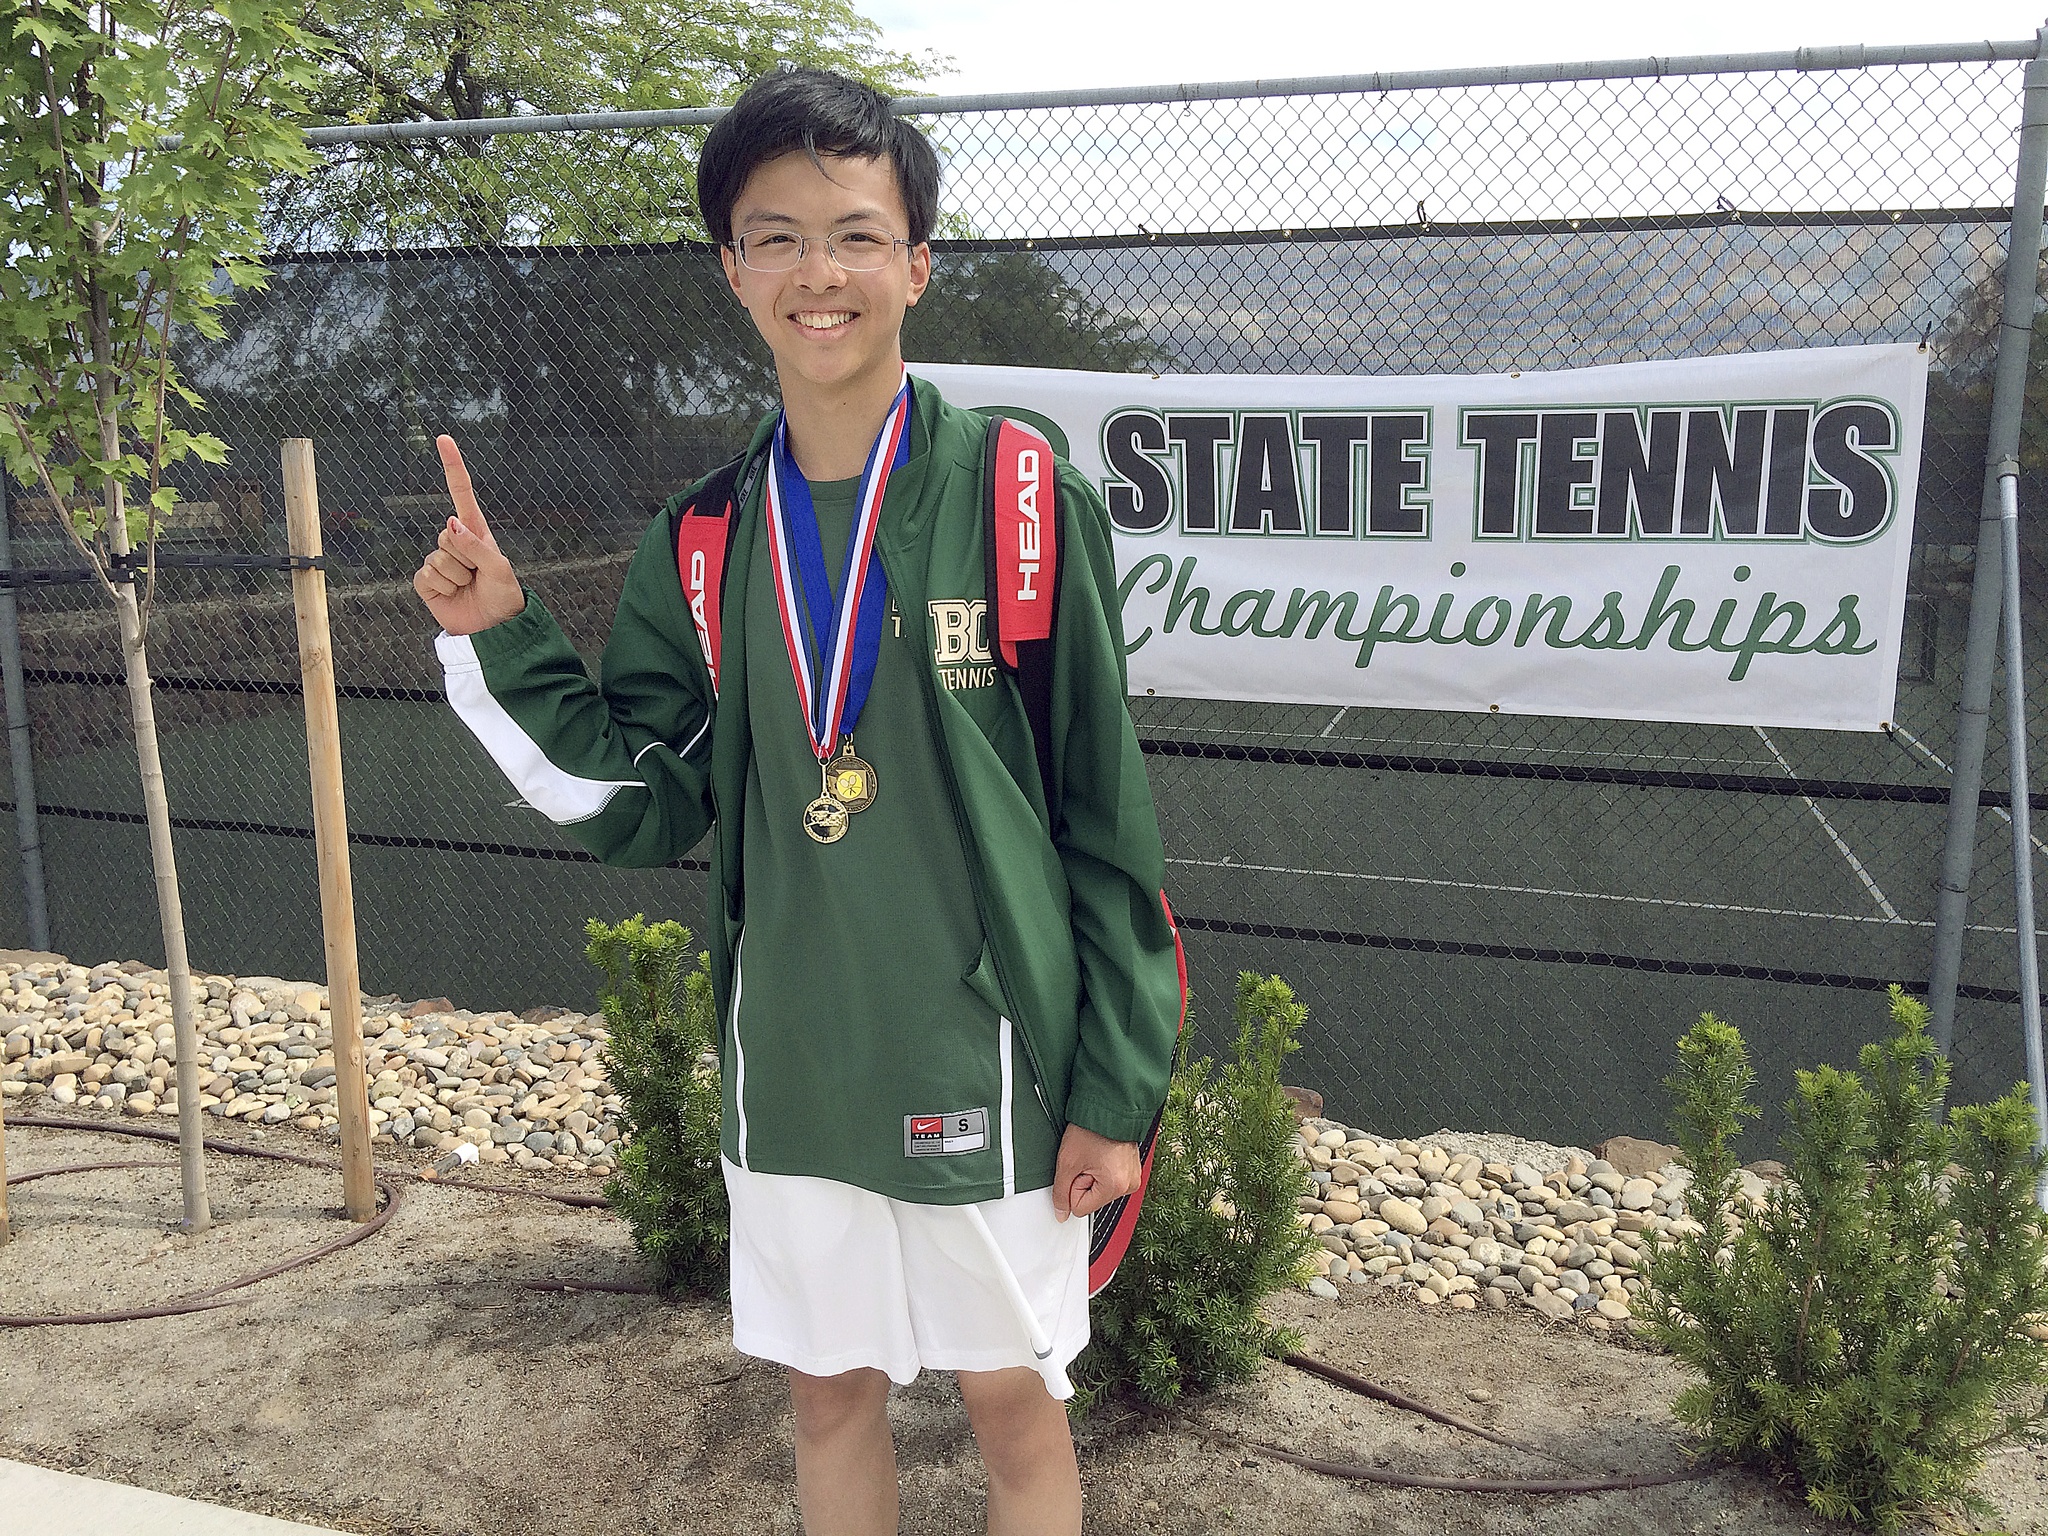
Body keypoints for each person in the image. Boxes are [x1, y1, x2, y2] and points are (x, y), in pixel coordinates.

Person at [412, 66, 1181, 1536]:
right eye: (775, 237)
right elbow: (642, 798)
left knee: (1010, 1400)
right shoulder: (705, 538)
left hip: (991, 1055)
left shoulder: (1017, 496)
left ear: (915, 263)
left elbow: (1104, 814)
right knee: (825, 1398)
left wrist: (1114, 1089)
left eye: (853, 234)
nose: (816, 274)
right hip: (796, 1069)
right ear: (731, 268)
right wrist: (497, 631)